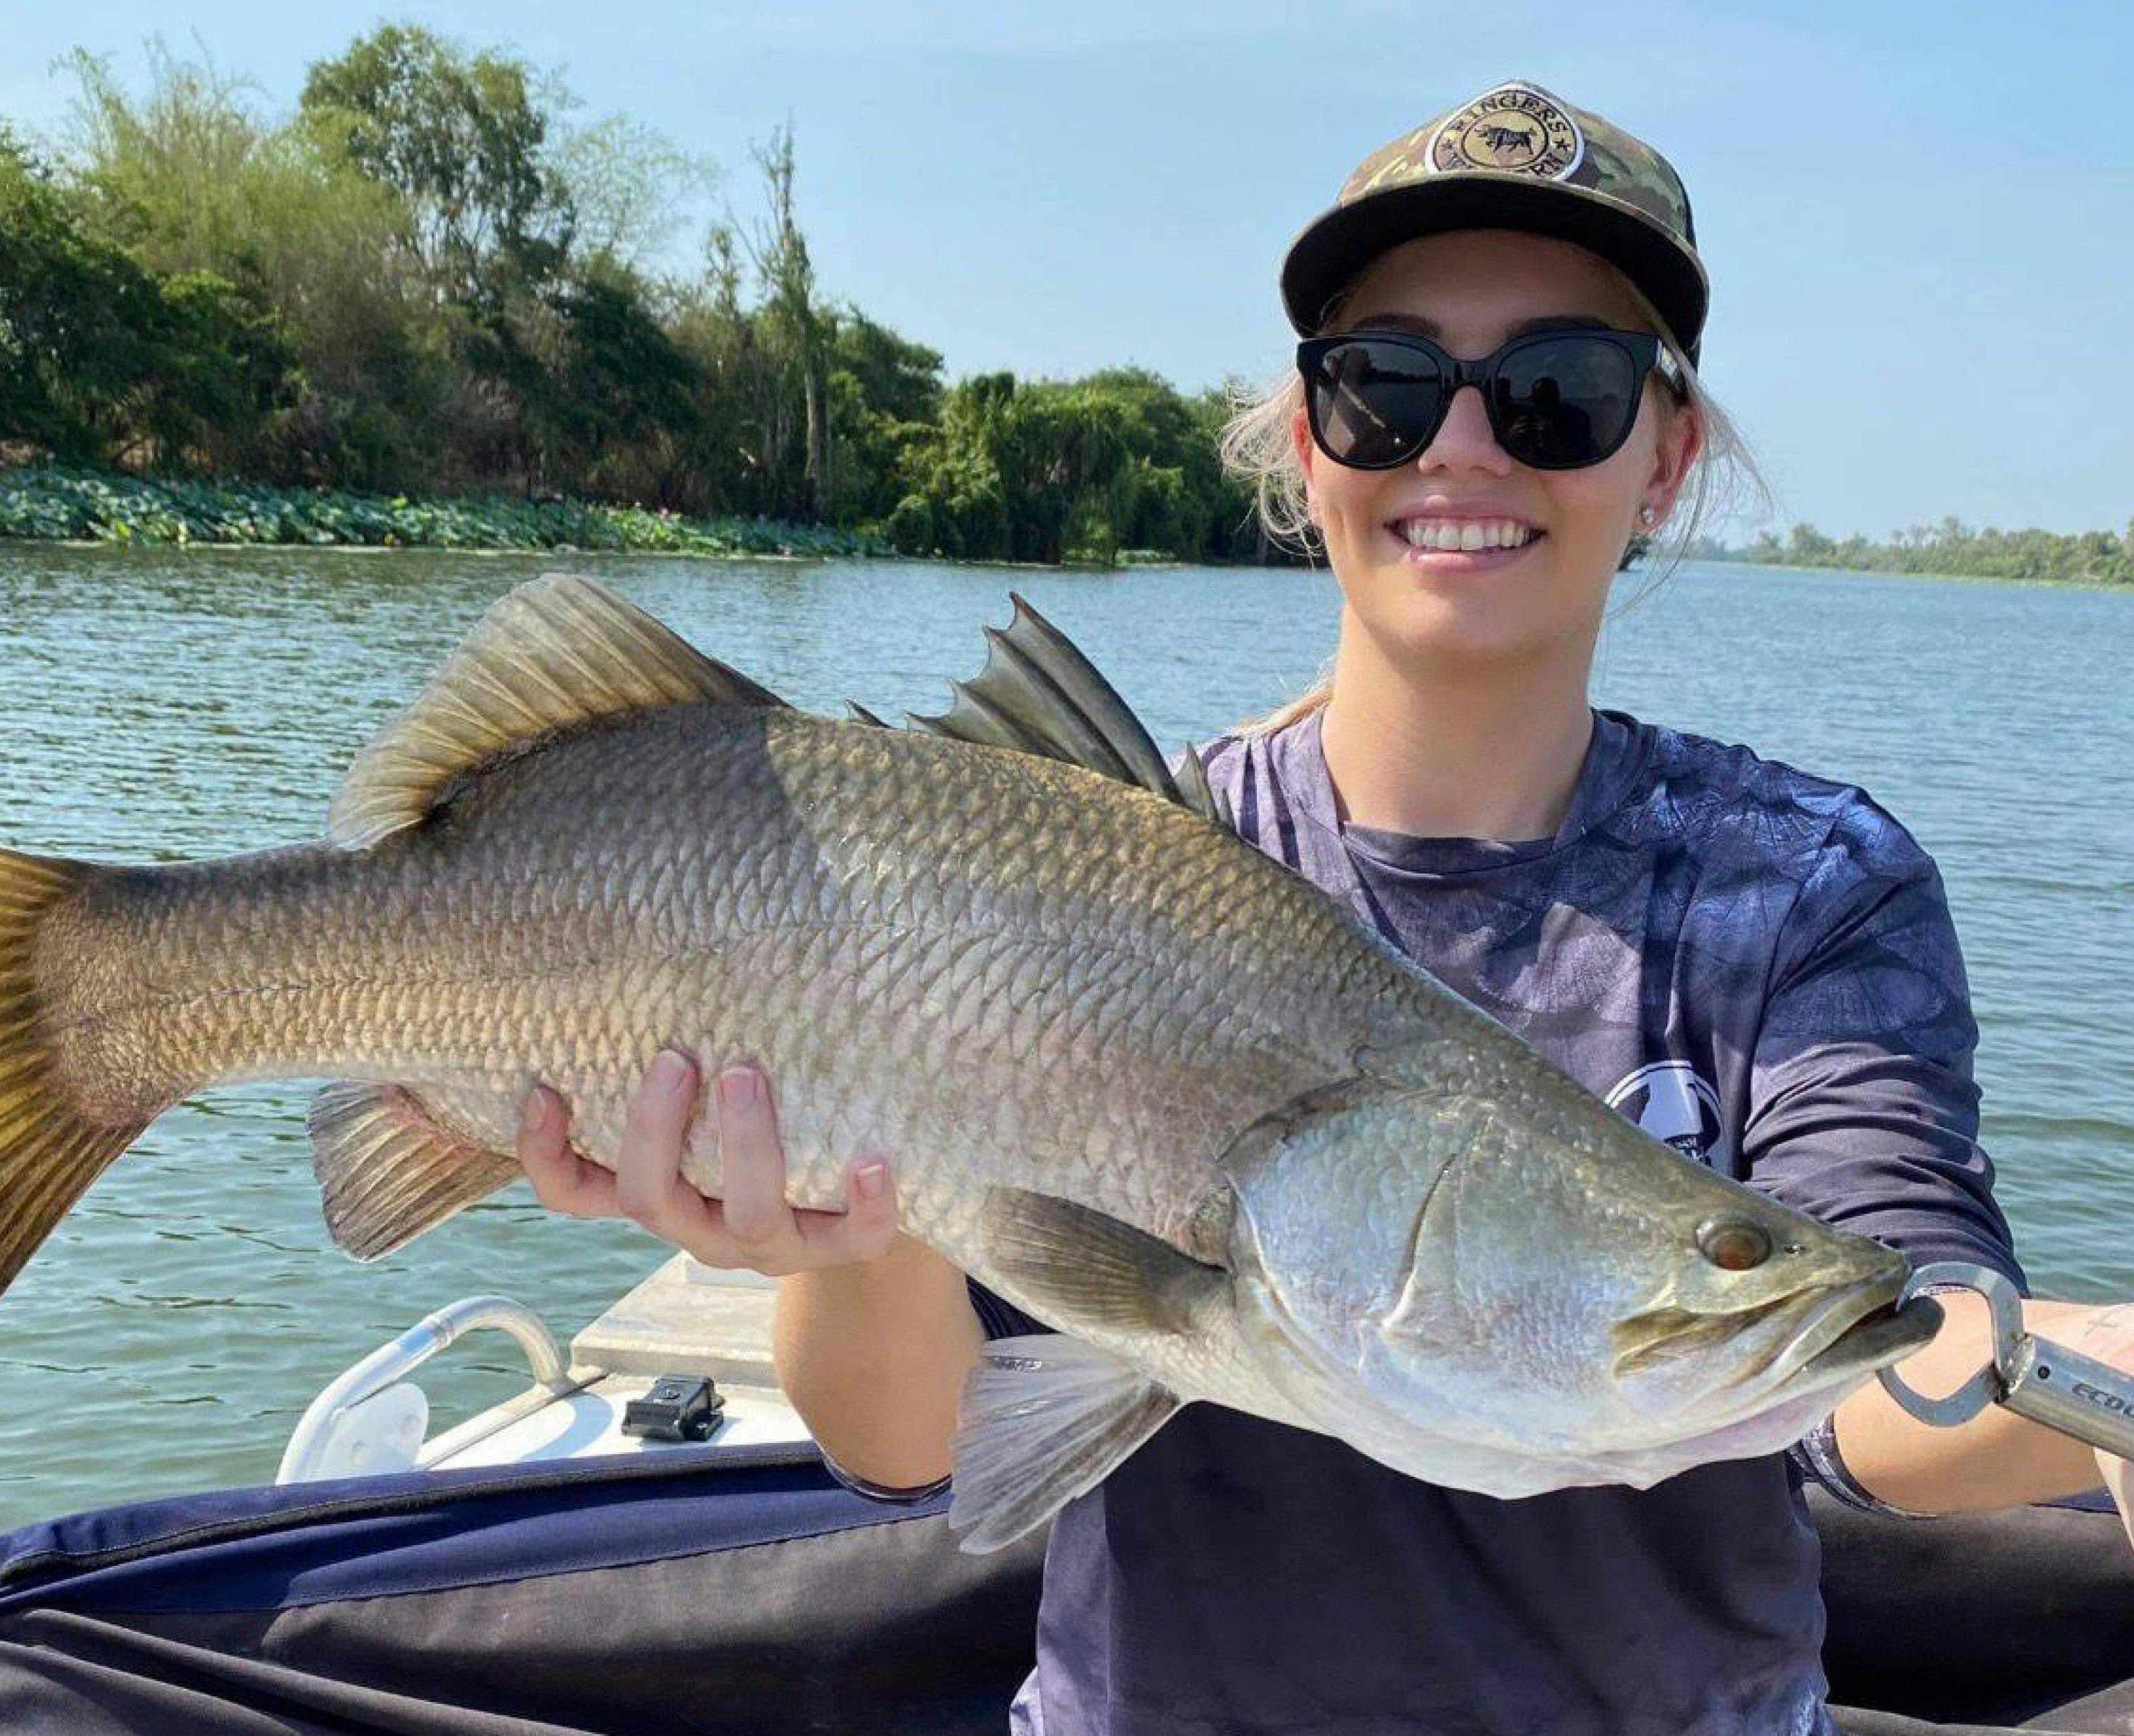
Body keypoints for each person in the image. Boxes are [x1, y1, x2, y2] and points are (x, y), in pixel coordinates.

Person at [515, 78, 2134, 1736]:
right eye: (1384, 384)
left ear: (1666, 453)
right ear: (1307, 440)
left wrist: (2096, 1373)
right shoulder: (1079, 869)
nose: (1458, 445)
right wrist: (836, 1250)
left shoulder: (1807, 885)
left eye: (1557, 390)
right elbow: (908, 1441)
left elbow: (1892, 1354)